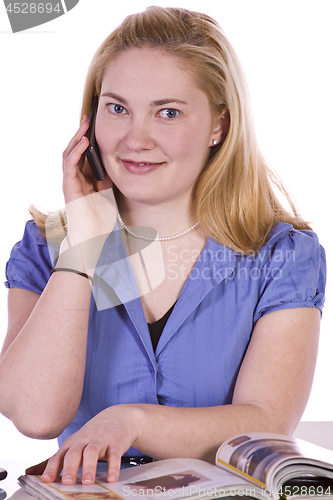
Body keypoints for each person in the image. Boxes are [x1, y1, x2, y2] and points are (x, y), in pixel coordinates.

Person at [0, 5, 326, 488]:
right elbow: (35, 414)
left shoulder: (282, 256)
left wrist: (133, 422)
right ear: (90, 121)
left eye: (167, 112)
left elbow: (266, 423)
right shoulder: (46, 247)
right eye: (117, 108)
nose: (135, 139)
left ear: (219, 125)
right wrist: (85, 244)